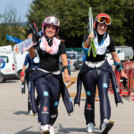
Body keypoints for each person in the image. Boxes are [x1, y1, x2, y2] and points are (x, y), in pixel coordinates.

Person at [74, 13, 127, 134]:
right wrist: (88, 39)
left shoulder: (109, 39)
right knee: (90, 97)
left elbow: (114, 55)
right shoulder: (88, 35)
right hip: (88, 69)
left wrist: (122, 71)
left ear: (108, 28)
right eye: (100, 25)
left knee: (103, 93)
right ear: (96, 24)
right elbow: (85, 49)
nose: (102, 28)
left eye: (105, 26)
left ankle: (105, 122)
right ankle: (90, 123)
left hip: (103, 68)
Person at [27, 16, 73, 134]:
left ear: (56, 30)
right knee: (45, 97)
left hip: (56, 77)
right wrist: (30, 44)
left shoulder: (60, 43)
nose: (50, 29)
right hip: (41, 75)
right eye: (48, 27)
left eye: (53, 27)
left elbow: (63, 58)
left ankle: (50, 124)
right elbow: (32, 55)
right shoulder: (38, 40)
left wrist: (66, 72)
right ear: (44, 28)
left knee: (55, 104)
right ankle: (44, 124)